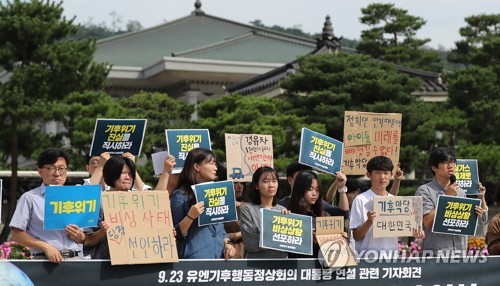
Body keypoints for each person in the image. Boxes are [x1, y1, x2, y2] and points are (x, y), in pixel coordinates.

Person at [82, 155, 176, 259]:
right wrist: (102, 232)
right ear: (111, 174)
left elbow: (157, 203)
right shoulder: (99, 202)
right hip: (106, 267)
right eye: (123, 173)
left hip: (138, 266)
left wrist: (164, 232)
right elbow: (87, 240)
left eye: (131, 174)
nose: (128, 177)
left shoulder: (139, 201)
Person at [9, 148, 82, 263]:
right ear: (40, 171)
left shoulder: (77, 197)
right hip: (44, 261)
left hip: (76, 259)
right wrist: (45, 246)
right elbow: (17, 235)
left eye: (61, 168)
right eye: (51, 168)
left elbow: (87, 236)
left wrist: (80, 236)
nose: (57, 173)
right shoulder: (30, 198)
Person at [415, 147, 488, 254]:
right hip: (436, 254)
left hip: (460, 253)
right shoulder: (424, 190)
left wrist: (480, 203)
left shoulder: (461, 192)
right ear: (434, 168)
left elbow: (476, 223)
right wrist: (446, 197)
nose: (450, 166)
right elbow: (427, 222)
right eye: (445, 162)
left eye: (453, 162)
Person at [350, 156, 424, 257]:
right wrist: (369, 221)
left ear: (391, 175)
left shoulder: (394, 201)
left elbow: (397, 233)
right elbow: (356, 236)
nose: (382, 177)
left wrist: (413, 231)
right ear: (369, 175)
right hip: (367, 260)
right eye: (377, 173)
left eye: (386, 173)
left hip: (391, 260)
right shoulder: (360, 200)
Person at [170, 148, 236, 259]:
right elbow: (175, 233)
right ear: (196, 167)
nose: (215, 168)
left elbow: (219, 228)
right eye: (211, 163)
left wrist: (228, 244)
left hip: (218, 259)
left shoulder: (216, 192)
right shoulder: (180, 196)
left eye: (215, 164)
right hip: (194, 261)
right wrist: (190, 216)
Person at [240, 166, 288, 258]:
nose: (271, 185)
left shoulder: (282, 210)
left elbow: (293, 241)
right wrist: (280, 239)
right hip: (257, 267)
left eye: (274, 181)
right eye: (265, 181)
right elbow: (251, 243)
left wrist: (289, 221)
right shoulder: (248, 210)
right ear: (256, 186)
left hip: (281, 266)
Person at [278, 162, 349, 218]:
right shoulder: (282, 206)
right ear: (290, 180)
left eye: (317, 189)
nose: (314, 193)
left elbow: (343, 213)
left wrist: (341, 187)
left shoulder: (319, 206)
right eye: (310, 189)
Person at [223, 181, 247, 258]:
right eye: (235, 182)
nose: (239, 186)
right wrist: (238, 235)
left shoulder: (247, 208)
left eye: (242, 183)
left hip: (244, 254)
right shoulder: (217, 208)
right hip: (224, 254)